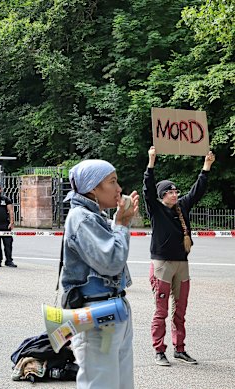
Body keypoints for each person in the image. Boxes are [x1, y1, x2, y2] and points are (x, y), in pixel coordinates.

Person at [60, 159, 139, 389]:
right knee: (101, 383)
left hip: (111, 311)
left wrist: (118, 221)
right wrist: (122, 224)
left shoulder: (95, 217)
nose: (119, 188)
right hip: (97, 316)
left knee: (120, 382)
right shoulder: (81, 218)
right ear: (93, 188)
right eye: (112, 182)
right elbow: (112, 262)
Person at [144, 146, 215, 366]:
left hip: (182, 264)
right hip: (162, 264)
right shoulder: (155, 208)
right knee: (161, 311)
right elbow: (147, 188)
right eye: (170, 192)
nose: (175, 195)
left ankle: (179, 349)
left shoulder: (182, 206)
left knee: (180, 311)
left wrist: (206, 166)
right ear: (162, 196)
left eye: (175, 191)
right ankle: (159, 350)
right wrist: (151, 162)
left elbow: (197, 190)